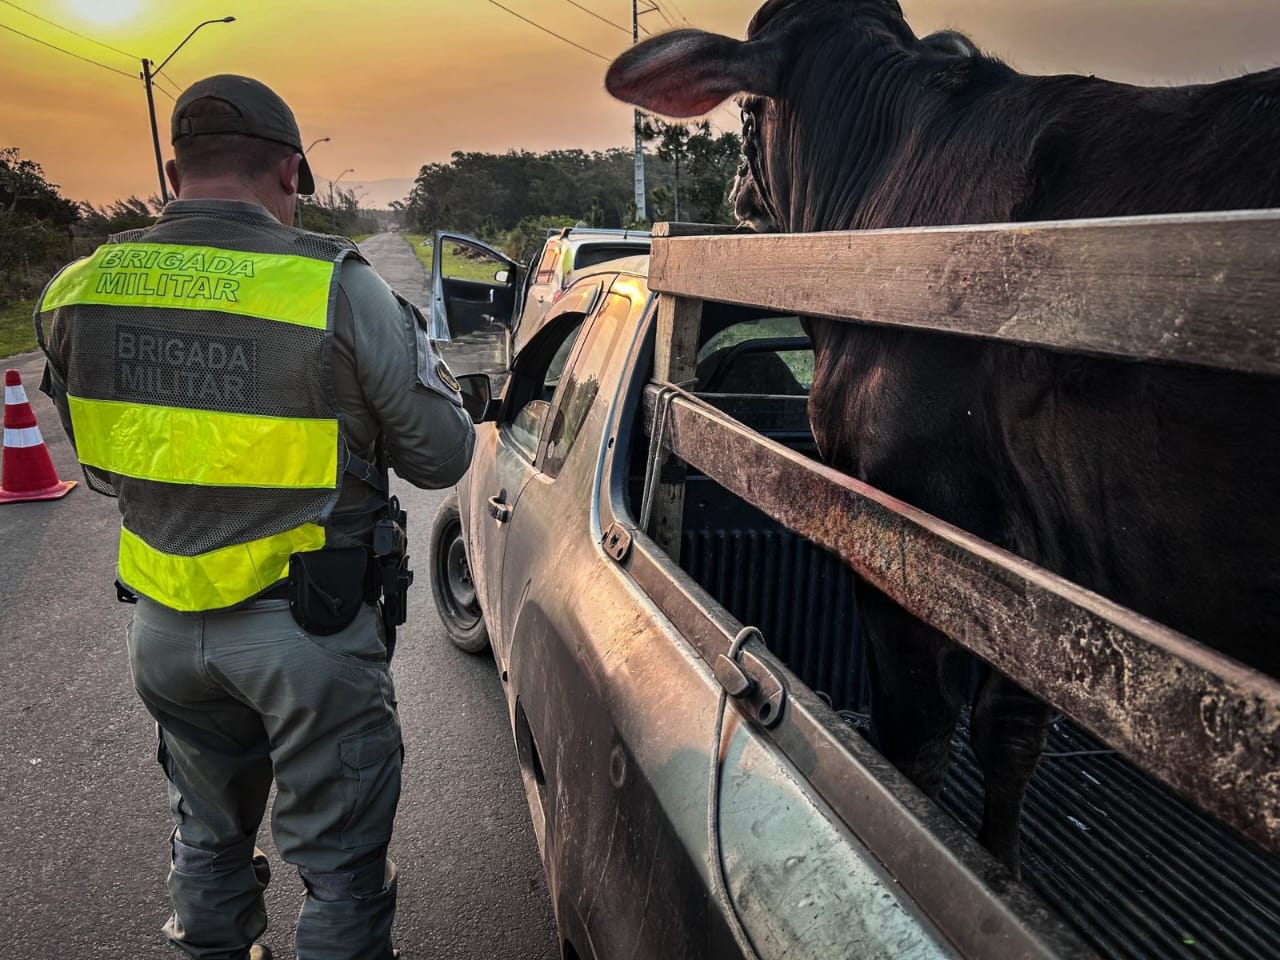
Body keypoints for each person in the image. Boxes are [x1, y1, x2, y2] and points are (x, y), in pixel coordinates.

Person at [35, 74, 475, 960]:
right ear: (294, 172)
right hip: (306, 630)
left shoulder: (79, 288)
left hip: (162, 625)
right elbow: (441, 455)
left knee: (205, 834)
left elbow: (106, 454)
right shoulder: (333, 288)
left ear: (172, 171)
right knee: (342, 869)